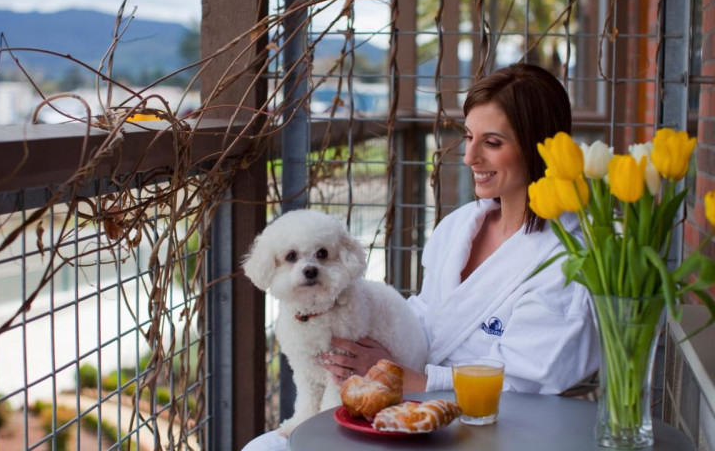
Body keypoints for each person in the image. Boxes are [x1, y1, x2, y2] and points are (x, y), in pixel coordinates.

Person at [242, 63, 600, 451]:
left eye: (492, 143)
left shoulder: (565, 260)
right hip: (408, 403)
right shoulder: (461, 227)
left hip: (490, 430)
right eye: (469, 137)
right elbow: (426, 321)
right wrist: (367, 347)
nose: (470, 158)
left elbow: (523, 384)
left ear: (538, 146)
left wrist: (408, 378)